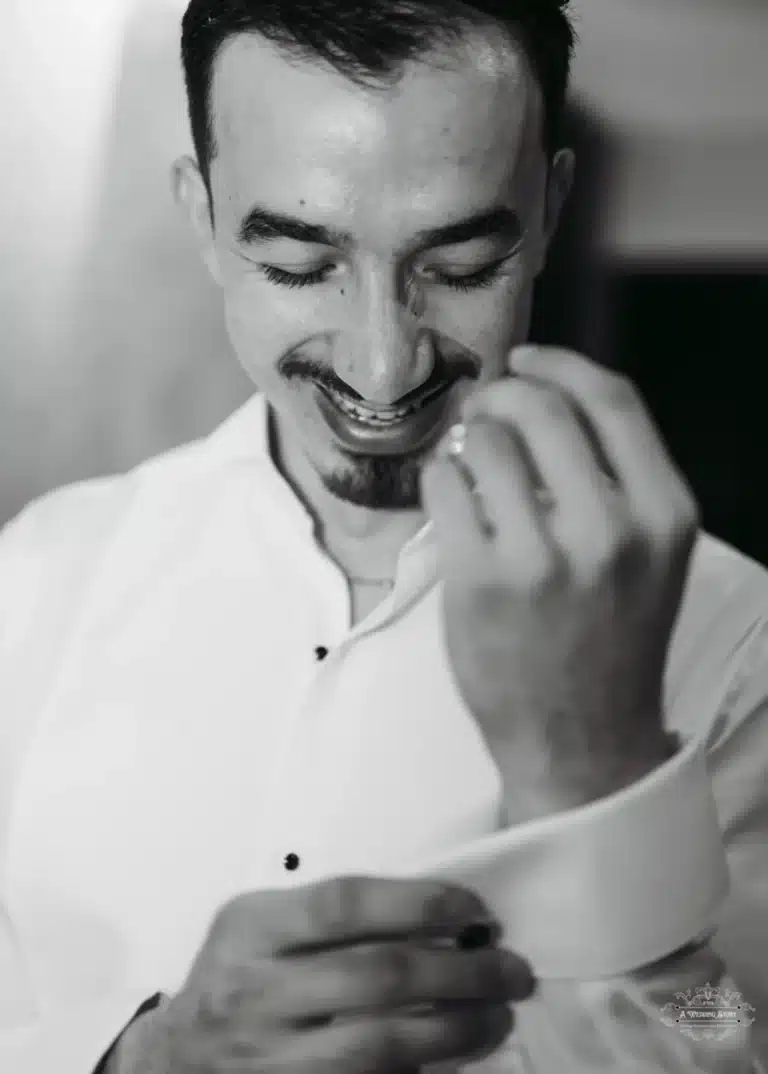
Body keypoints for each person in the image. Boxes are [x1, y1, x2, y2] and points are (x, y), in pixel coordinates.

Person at [0, 1, 766, 1071]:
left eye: (459, 268)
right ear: (203, 218)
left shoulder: (734, 635)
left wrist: (599, 786)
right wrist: (141, 1059)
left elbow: (736, 1032)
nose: (383, 365)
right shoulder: (33, 582)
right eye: (300, 265)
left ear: (547, 211)